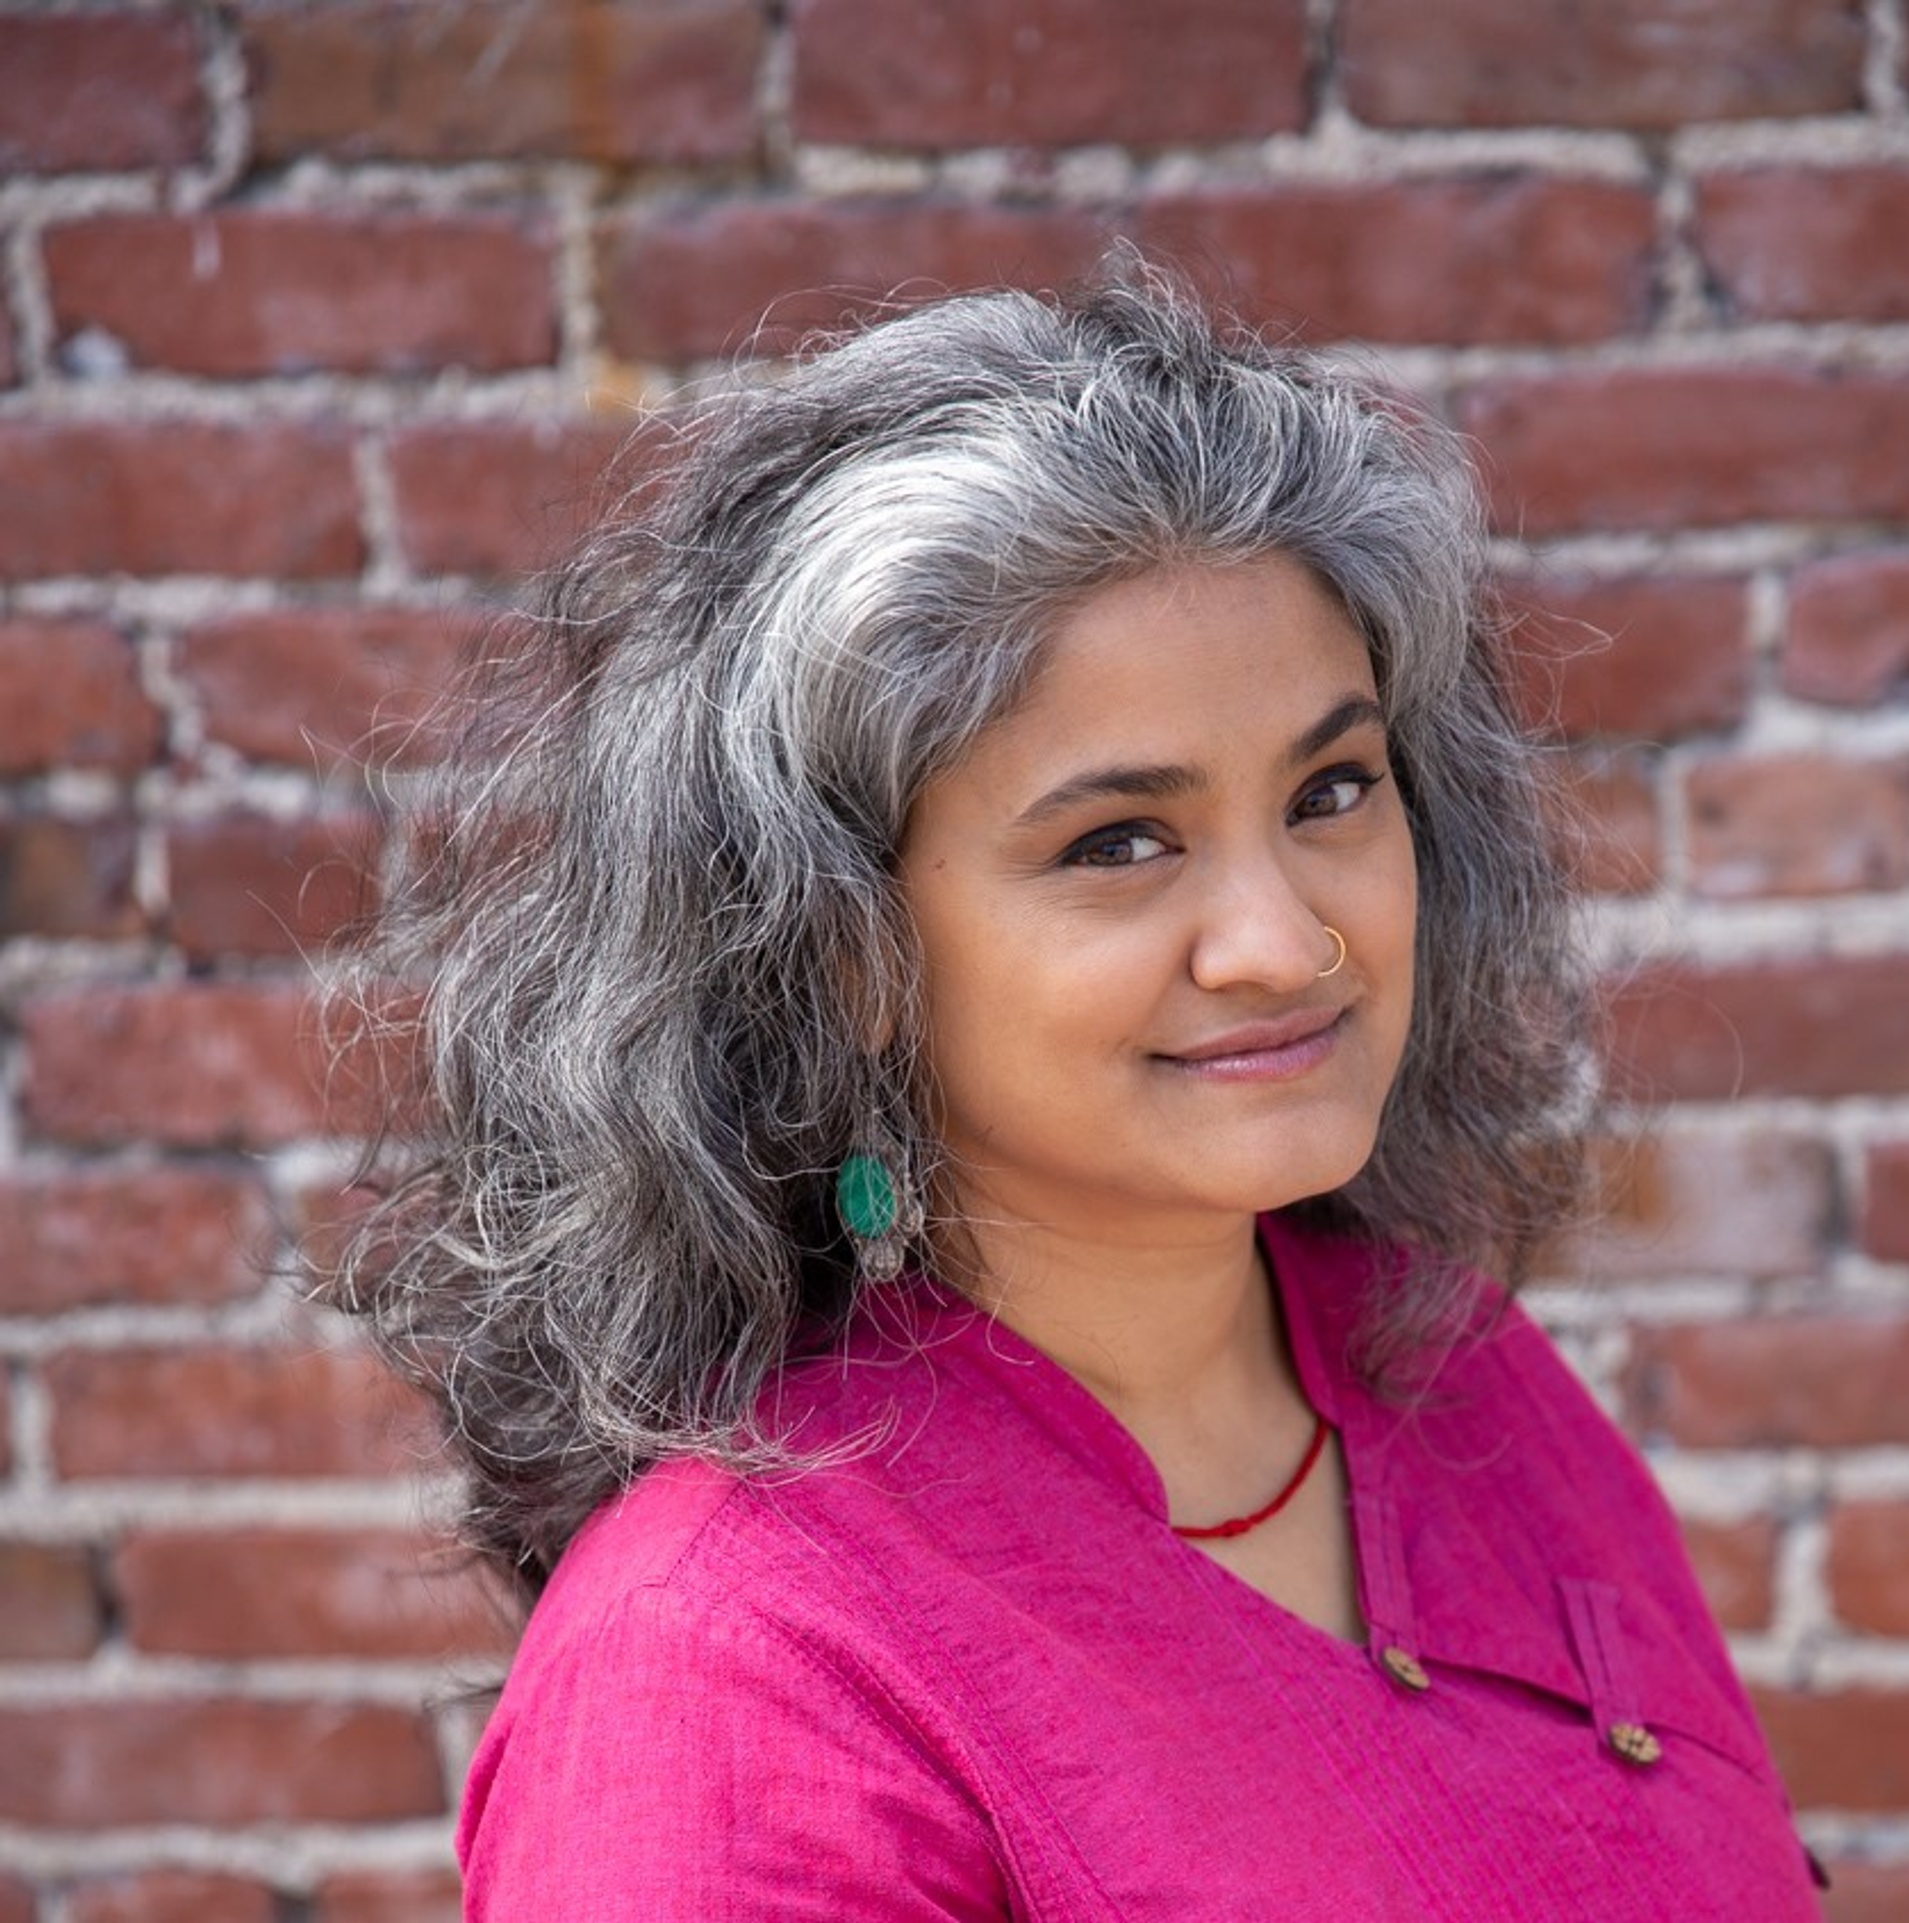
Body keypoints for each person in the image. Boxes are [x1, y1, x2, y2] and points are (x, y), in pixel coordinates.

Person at [334, 264, 1827, 1919]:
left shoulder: (1459, 1378)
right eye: (1121, 842)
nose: (1284, 937)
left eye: (1333, 789)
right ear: (842, 952)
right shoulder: (733, 1668)